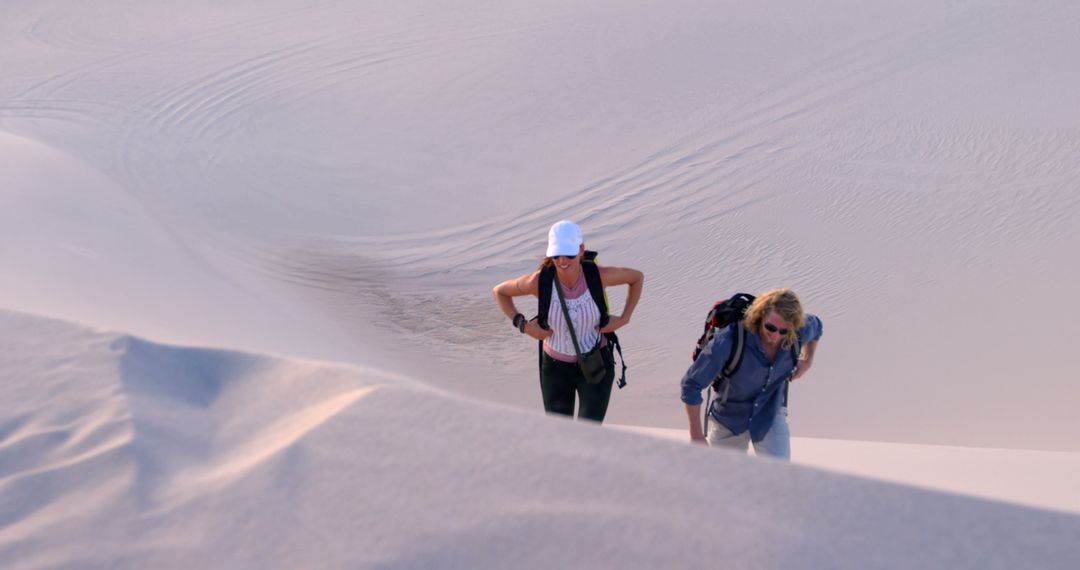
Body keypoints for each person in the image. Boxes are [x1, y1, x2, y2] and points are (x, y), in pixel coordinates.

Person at [492, 220, 644, 423]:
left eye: (569, 254)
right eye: (556, 255)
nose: (562, 261)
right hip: (555, 371)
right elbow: (500, 292)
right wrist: (524, 326)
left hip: (595, 365)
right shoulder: (539, 282)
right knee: (560, 435)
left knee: (588, 435)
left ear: (581, 250)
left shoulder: (598, 276)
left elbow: (636, 278)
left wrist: (625, 318)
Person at [680, 288, 822, 460]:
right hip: (729, 420)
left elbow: (817, 325)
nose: (775, 335)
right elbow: (691, 385)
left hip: (770, 415)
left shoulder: (798, 334)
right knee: (721, 481)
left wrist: (808, 361)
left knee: (779, 480)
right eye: (770, 327)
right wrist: (696, 436)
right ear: (760, 315)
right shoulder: (730, 340)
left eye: (783, 331)